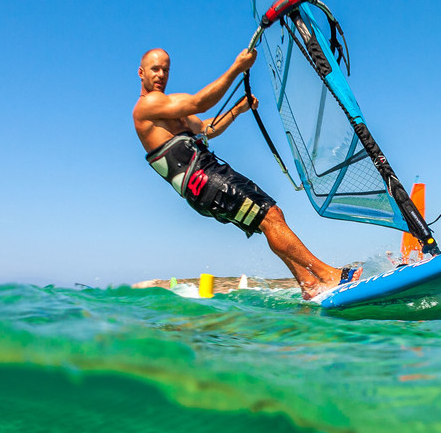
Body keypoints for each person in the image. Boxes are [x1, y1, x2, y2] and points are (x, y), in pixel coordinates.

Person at [133, 46, 359, 299]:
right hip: (204, 180)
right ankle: (329, 275)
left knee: (271, 218)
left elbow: (208, 128)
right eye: (155, 69)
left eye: (166, 69)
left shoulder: (170, 110)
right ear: (142, 73)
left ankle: (309, 284)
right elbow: (200, 103)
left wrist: (237, 110)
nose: (161, 74)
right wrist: (237, 68)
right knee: (270, 216)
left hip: (208, 178)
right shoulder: (148, 105)